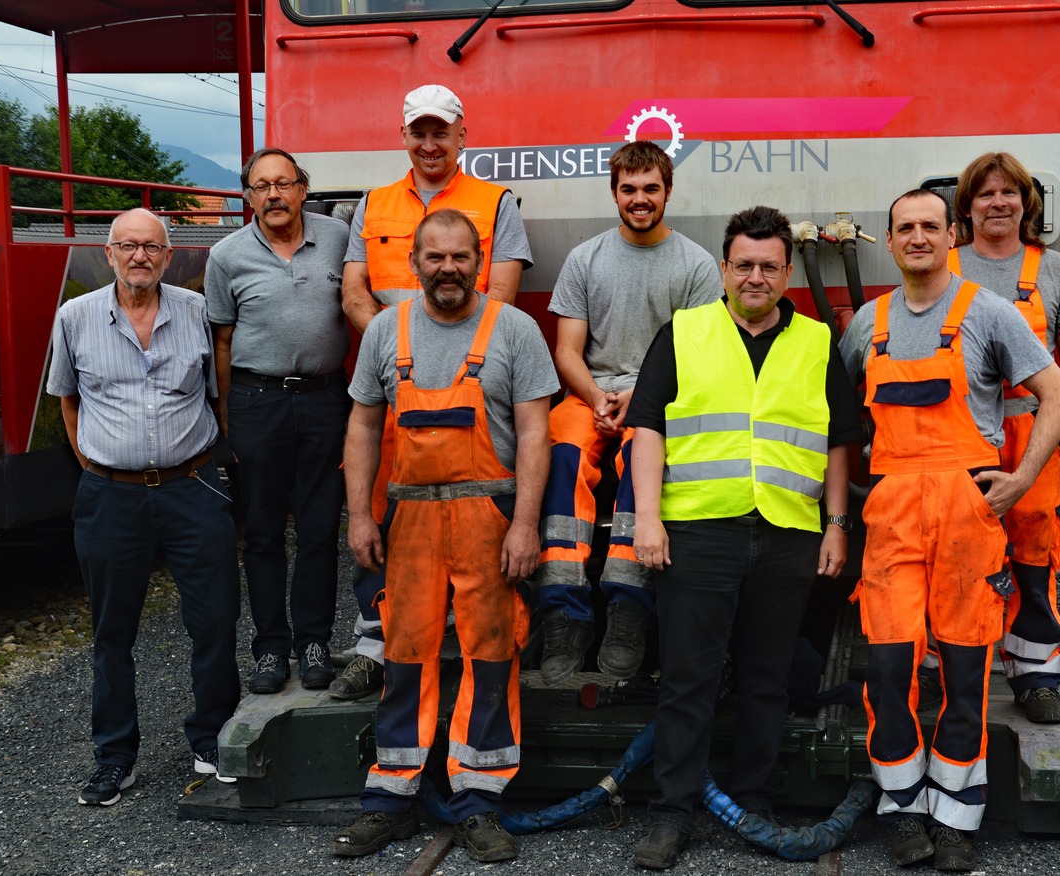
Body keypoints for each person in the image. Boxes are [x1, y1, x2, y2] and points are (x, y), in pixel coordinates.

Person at [838, 189, 1060, 871]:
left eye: (930, 227)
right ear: (889, 241)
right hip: (891, 514)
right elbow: (837, 421)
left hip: (969, 510)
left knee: (965, 672)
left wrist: (1024, 477)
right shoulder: (867, 325)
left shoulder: (990, 313)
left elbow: (1056, 394)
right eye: (905, 227)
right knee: (888, 667)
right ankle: (904, 809)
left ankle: (956, 817)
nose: (917, 237)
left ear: (951, 237)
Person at [626, 206, 861, 869]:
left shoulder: (816, 342)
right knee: (688, 679)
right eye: (743, 265)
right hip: (698, 533)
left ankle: (753, 803)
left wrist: (836, 525)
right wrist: (648, 517)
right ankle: (672, 812)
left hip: (787, 534)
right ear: (723, 269)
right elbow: (647, 428)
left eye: (768, 266)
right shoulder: (684, 332)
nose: (755, 277)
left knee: (766, 680)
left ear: (788, 271)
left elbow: (840, 444)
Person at [331, 210, 556, 863]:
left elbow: (536, 434)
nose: (449, 268)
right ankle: (390, 799)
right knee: (403, 657)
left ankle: (480, 801)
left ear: (480, 257)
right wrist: (361, 516)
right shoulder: (384, 332)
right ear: (415, 261)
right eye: (436, 257)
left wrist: (524, 523)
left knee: (491, 656)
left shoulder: (513, 331)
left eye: (461, 256)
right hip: (411, 520)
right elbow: (363, 429)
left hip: (488, 516)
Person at [329, 83, 533, 703]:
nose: (429, 143)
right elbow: (354, 293)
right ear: (403, 137)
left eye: (440, 132)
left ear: (462, 135)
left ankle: (465, 633)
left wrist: (444, 360)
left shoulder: (495, 203)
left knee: (472, 517)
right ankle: (374, 640)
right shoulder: (373, 204)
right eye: (418, 132)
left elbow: (500, 293)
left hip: (469, 394)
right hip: (393, 388)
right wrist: (397, 353)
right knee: (378, 507)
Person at [47, 208, 241, 806]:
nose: (140, 257)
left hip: (192, 486)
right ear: (109, 253)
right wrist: (102, 473)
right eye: (128, 246)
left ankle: (212, 739)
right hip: (111, 494)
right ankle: (115, 757)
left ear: (168, 256)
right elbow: (69, 404)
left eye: (151, 248)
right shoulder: (75, 317)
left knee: (214, 619)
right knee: (112, 631)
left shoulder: (196, 312)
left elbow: (218, 394)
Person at [536, 140, 720, 686]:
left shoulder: (696, 265)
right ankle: (564, 617)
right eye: (629, 189)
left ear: (668, 191)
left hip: (659, 399)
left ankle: (627, 613)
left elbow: (694, 357)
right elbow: (566, 350)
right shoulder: (585, 259)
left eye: (650, 189)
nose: (640, 199)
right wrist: (596, 399)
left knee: (640, 469)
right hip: (588, 395)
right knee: (562, 458)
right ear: (614, 192)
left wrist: (636, 399)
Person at [948, 152, 1060, 723]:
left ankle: (1034, 672)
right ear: (967, 206)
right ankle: (953, 662)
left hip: (1036, 424)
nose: (998, 203)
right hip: (964, 428)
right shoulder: (946, 264)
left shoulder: (1054, 271)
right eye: (985, 195)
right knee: (960, 547)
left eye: (1008, 194)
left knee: (1035, 545)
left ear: (1026, 203)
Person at [206, 148, 352, 694]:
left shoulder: (338, 239)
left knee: (319, 529)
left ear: (302, 187)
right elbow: (221, 339)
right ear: (248, 196)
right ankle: (269, 647)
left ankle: (313, 641)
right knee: (263, 532)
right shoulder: (226, 256)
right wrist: (224, 417)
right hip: (255, 400)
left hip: (324, 399)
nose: (273, 195)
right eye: (260, 186)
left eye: (282, 184)